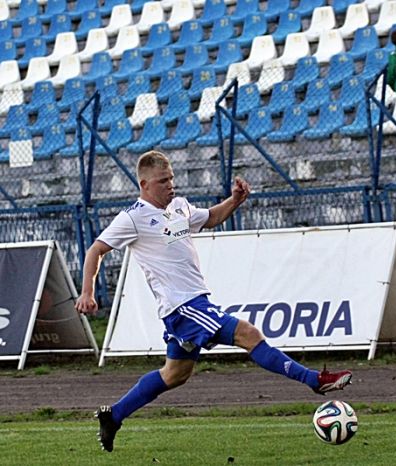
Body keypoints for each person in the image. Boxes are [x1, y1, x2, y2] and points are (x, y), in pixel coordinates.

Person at [76, 151, 352, 452]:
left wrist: (235, 200)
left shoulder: (179, 207)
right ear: (144, 184)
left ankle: (114, 415)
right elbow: (95, 250)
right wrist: (87, 292)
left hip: (191, 304)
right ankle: (315, 380)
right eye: (163, 181)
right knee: (248, 334)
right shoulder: (133, 217)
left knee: (175, 374)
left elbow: (211, 218)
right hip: (184, 307)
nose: (170, 185)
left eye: (171, 179)